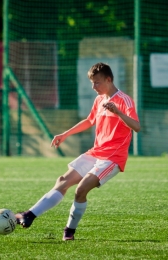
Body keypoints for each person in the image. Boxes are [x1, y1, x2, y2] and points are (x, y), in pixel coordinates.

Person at [15, 62, 140, 241]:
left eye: (97, 82)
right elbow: (90, 121)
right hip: (96, 152)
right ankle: (29, 215)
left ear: (109, 79)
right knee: (63, 181)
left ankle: (69, 232)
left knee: (80, 190)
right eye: (92, 83)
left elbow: (136, 127)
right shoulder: (99, 100)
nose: (93, 87)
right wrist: (65, 134)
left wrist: (119, 112)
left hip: (112, 157)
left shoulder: (124, 100)